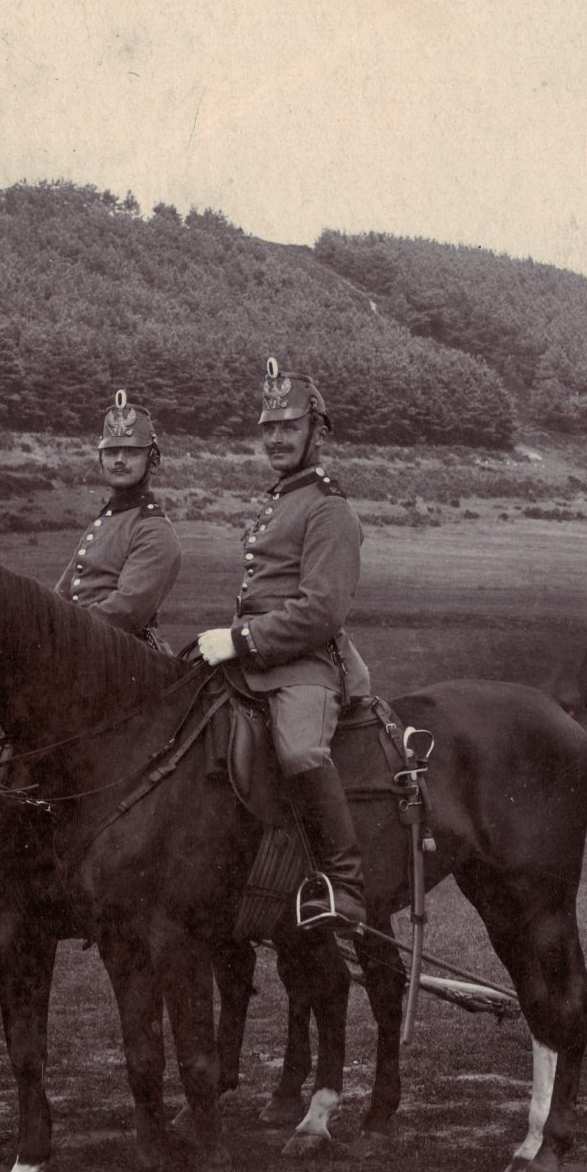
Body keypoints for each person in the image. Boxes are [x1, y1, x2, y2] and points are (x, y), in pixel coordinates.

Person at [195, 358, 374, 927]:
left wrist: (240, 640)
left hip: (306, 666)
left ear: (316, 431)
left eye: (288, 427)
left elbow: (320, 612)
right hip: (253, 664)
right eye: (267, 428)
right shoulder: (278, 500)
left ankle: (344, 885)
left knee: (299, 749)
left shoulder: (329, 509)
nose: (275, 438)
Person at [56, 390, 182, 643]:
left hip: (123, 655)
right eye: (112, 452)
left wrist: (63, 633)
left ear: (153, 461)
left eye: (132, 452)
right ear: (101, 460)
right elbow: (61, 595)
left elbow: (127, 612)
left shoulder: (154, 529)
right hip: (81, 644)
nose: (120, 461)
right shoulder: (104, 522)